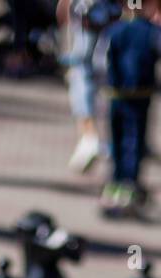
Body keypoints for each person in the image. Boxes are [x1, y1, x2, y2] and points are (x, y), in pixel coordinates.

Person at [99, 0, 161, 215]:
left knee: (117, 138)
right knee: (135, 139)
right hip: (141, 94)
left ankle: (117, 181)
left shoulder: (112, 30)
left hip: (116, 94)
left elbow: (99, 61)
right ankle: (130, 183)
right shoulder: (153, 31)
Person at [57, 0, 121, 173]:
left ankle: (90, 137)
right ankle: (92, 137)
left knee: (81, 76)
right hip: (105, 17)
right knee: (90, 78)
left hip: (93, 15)